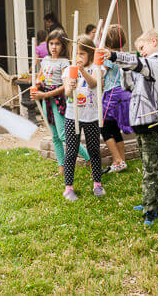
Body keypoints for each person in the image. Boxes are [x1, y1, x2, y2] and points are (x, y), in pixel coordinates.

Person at [96, 29, 158, 227]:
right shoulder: (147, 65)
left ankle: (151, 208)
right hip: (140, 121)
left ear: (153, 41)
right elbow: (130, 85)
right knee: (150, 163)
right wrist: (121, 66)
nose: (141, 52)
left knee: (150, 167)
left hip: (150, 120)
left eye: (142, 47)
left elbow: (142, 64)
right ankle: (156, 199)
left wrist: (115, 55)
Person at [31, 30, 91, 176]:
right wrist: (36, 85)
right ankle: (61, 168)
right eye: (51, 43)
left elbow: (65, 87)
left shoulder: (64, 62)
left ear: (63, 45)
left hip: (58, 101)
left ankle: (90, 159)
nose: (54, 47)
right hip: (46, 101)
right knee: (55, 136)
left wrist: (44, 94)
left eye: (57, 44)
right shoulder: (44, 60)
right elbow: (41, 77)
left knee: (64, 135)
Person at [61, 36, 105, 200]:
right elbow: (66, 92)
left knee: (94, 150)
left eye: (83, 53)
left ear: (90, 53)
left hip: (91, 116)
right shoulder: (68, 70)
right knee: (71, 151)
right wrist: (70, 87)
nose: (79, 57)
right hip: (73, 116)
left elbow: (94, 83)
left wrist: (82, 71)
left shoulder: (97, 68)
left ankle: (97, 184)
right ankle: (68, 187)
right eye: (76, 53)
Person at [101, 25, 133, 174]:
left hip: (112, 95)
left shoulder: (109, 57)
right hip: (124, 94)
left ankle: (118, 160)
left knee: (105, 127)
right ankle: (122, 160)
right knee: (115, 128)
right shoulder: (124, 55)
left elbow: (101, 75)